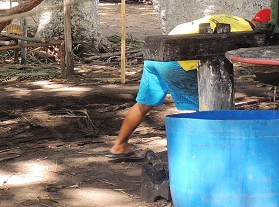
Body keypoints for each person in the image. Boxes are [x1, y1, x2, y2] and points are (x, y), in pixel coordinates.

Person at [108, 13, 255, 159]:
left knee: (144, 104)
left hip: (157, 54)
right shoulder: (249, 31)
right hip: (176, 60)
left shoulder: (229, 18)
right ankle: (200, 153)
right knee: (204, 107)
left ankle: (119, 145)